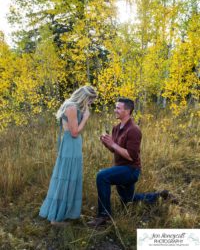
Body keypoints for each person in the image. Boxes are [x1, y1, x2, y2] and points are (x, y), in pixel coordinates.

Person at [88, 97, 177, 228]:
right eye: (115, 107)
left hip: (131, 170)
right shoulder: (116, 128)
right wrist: (107, 144)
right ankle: (162, 196)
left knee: (102, 176)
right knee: (128, 200)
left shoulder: (134, 130)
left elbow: (131, 156)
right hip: (120, 169)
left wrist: (113, 143)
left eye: (118, 108)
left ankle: (104, 216)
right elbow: (116, 151)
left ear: (127, 111)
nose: (115, 110)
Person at [39, 86, 97, 226]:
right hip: (70, 145)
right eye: (90, 100)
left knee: (72, 178)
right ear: (84, 97)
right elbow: (74, 132)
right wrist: (85, 118)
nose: (90, 104)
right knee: (66, 178)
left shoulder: (75, 107)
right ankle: (56, 218)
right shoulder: (71, 107)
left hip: (73, 146)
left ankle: (67, 212)